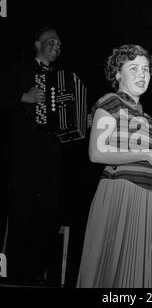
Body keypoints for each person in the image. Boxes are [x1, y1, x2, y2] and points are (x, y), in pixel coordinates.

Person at [77, 44, 152, 288]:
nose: (142, 74)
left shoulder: (148, 118)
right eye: (133, 68)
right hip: (121, 193)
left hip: (150, 198)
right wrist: (146, 154)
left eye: (145, 69)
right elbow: (97, 152)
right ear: (117, 74)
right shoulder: (110, 102)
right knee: (110, 274)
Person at [0, 25, 62, 285]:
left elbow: (64, 115)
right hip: (24, 151)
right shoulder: (20, 68)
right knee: (21, 209)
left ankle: (35, 271)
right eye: (52, 42)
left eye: (59, 45)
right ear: (37, 44)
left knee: (46, 211)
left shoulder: (61, 78)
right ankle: (13, 271)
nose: (56, 47)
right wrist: (22, 97)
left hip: (50, 153)